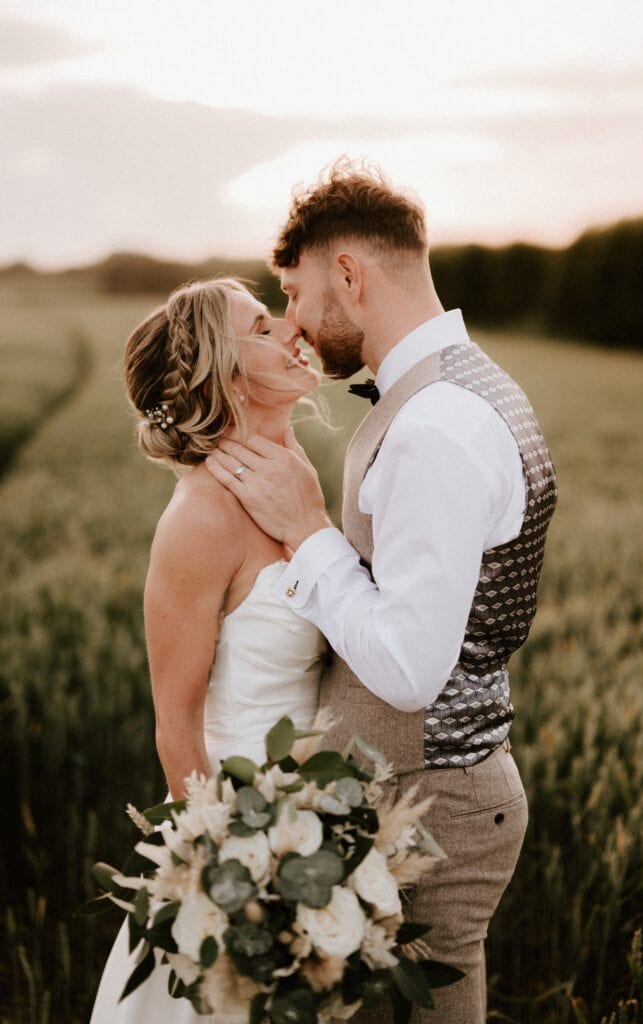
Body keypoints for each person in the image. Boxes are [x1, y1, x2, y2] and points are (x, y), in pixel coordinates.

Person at [205, 160, 558, 1024]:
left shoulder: (436, 425)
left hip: (434, 807)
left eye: (293, 292)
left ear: (350, 276)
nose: (292, 321)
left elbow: (406, 669)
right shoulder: (454, 394)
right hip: (422, 793)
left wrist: (307, 528)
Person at [89, 277, 326, 1023]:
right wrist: (233, 887)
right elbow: (176, 726)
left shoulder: (294, 480)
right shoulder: (199, 520)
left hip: (318, 829)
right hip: (239, 849)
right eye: (263, 325)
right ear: (225, 374)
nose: (294, 329)